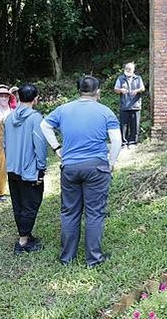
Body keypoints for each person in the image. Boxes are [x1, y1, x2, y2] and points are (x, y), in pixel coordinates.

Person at [41, 76, 122, 267]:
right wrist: (111, 162)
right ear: (98, 92)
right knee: (94, 213)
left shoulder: (64, 109)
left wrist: (56, 148)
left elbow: (44, 125)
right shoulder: (105, 112)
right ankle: (93, 259)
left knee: (69, 212)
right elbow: (117, 140)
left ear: (79, 91)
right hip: (96, 167)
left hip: (69, 167)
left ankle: (66, 258)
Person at [3, 84, 47, 255]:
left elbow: (5, 143)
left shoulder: (8, 118)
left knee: (19, 204)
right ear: (35, 99)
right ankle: (22, 243)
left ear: (18, 98)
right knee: (31, 203)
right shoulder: (36, 118)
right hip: (29, 170)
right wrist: (41, 168)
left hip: (12, 168)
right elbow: (40, 146)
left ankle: (26, 234)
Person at [114, 62, 145, 147]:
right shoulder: (120, 78)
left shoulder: (138, 78)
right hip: (124, 106)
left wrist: (137, 90)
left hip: (136, 105)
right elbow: (115, 89)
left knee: (135, 125)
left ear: (133, 70)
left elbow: (142, 88)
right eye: (126, 69)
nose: (128, 70)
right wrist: (121, 90)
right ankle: (124, 143)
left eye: (129, 69)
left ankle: (133, 142)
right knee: (123, 126)